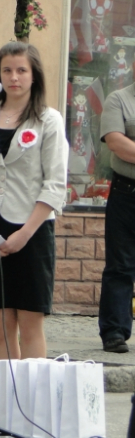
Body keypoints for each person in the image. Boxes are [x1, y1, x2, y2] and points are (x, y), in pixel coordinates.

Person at [0, 42, 68, 360]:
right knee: (3, 327)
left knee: (30, 325)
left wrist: (24, 233)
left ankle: (33, 407)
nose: (14, 77)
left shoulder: (48, 120)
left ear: (34, 76)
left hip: (32, 230)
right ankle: (7, 406)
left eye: (22, 70)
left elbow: (55, 184)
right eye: (6, 70)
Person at [97, 61, 135, 354]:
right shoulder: (119, 99)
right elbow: (116, 143)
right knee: (120, 266)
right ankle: (114, 331)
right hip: (126, 193)